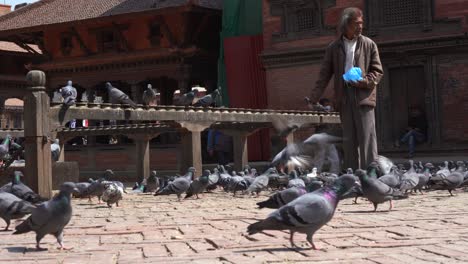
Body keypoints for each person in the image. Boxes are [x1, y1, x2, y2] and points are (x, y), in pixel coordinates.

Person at [308, 7, 383, 170]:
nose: (360, 27)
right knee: (349, 139)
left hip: (363, 96)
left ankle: (370, 175)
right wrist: (313, 98)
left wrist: (363, 81)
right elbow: (324, 76)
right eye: (356, 24)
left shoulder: (369, 44)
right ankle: (353, 176)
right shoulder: (333, 48)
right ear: (346, 25)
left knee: (367, 138)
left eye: (361, 24)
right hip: (344, 97)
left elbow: (377, 72)